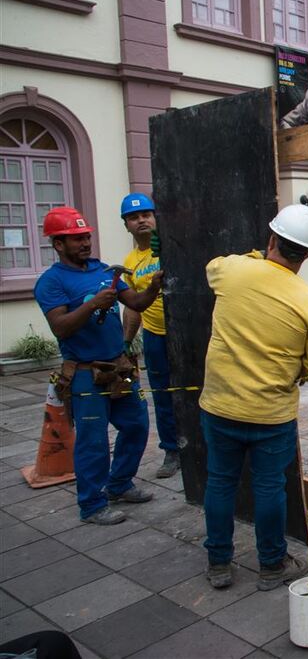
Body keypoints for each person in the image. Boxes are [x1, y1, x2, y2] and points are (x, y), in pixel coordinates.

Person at [199, 204, 308, 592]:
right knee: (269, 487)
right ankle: (272, 566)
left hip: (221, 405)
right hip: (271, 414)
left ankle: (219, 564)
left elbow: (213, 267)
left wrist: (256, 257)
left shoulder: (234, 271)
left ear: (271, 239)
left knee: (221, 483)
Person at [34, 208, 163, 525]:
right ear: (58, 244)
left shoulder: (103, 271)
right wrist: (93, 304)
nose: (84, 243)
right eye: (76, 239)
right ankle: (91, 505)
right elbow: (61, 328)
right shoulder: (51, 282)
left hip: (119, 368)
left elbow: (136, 303)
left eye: (86, 236)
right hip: (83, 373)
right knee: (92, 441)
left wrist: (154, 286)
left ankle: (119, 484)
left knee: (136, 426)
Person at [120, 193, 179, 479]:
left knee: (200, 387)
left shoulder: (171, 244)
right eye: (134, 217)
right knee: (162, 394)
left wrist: (168, 248)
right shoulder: (130, 262)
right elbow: (132, 307)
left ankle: (206, 445)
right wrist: (125, 342)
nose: (141, 220)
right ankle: (172, 450)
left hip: (186, 334)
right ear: (126, 225)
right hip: (155, 336)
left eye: (146, 214)